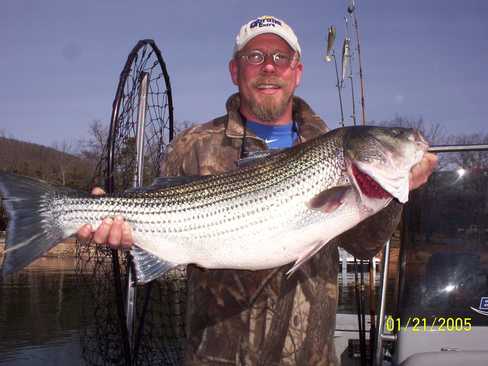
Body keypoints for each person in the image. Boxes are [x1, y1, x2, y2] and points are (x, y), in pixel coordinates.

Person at [78, 15, 437, 366]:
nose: (269, 67)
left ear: (297, 72)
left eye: (281, 58)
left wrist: (393, 193)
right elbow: (162, 221)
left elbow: (363, 245)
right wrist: (123, 231)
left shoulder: (327, 143)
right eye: (255, 56)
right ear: (236, 71)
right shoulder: (192, 145)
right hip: (212, 357)